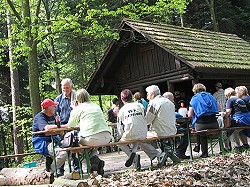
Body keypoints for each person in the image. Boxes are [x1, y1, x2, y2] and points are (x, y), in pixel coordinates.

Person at [67, 88, 112, 176]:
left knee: (74, 144)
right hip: (106, 136)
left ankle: (92, 162)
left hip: (91, 138)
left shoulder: (78, 108)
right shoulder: (96, 106)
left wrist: (74, 108)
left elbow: (71, 125)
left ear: (77, 99)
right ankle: (95, 161)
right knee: (92, 146)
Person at [138, 85, 181, 166]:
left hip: (160, 132)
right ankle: (167, 153)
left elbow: (147, 120)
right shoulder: (169, 101)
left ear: (152, 94)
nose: (147, 97)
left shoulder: (154, 103)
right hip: (173, 131)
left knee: (139, 139)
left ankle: (158, 155)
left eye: (148, 94)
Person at [32, 99, 68, 175]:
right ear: (48, 108)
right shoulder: (40, 117)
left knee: (70, 147)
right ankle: (50, 171)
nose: (55, 108)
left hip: (54, 139)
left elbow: (58, 130)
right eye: (53, 106)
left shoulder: (53, 116)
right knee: (63, 153)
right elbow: (47, 128)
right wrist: (63, 126)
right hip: (42, 142)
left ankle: (61, 171)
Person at [117, 89, 147, 169]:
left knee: (120, 143)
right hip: (143, 132)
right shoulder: (139, 105)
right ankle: (134, 152)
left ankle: (132, 155)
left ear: (122, 99)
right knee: (136, 137)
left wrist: (121, 136)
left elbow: (119, 127)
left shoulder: (122, 110)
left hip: (131, 133)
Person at [188, 83, 219, 158]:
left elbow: (190, 115)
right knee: (201, 130)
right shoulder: (211, 96)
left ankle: (204, 152)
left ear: (194, 90)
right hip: (214, 123)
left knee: (200, 133)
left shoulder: (194, 98)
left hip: (201, 125)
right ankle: (198, 146)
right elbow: (219, 109)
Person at [54, 78, 78, 176]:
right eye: (63, 88)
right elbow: (55, 114)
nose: (65, 90)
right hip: (63, 127)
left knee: (75, 147)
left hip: (75, 126)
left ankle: (76, 168)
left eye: (67, 88)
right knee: (61, 147)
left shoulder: (77, 96)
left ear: (72, 86)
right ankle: (60, 170)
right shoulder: (58, 99)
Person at [162, 92, 189, 159]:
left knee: (178, 131)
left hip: (162, 129)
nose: (173, 101)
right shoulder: (169, 105)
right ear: (168, 99)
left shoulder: (161, 105)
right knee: (186, 131)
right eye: (172, 99)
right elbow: (176, 115)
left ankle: (170, 152)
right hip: (168, 129)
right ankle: (180, 152)